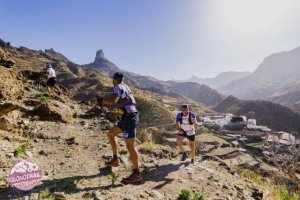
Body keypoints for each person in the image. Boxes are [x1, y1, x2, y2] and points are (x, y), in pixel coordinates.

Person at [97, 72, 141, 183]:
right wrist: (119, 113)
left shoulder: (118, 86)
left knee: (130, 145)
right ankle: (115, 159)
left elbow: (113, 101)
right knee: (111, 133)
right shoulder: (125, 86)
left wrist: (102, 100)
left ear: (114, 80)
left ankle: (136, 173)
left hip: (129, 118)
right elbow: (123, 102)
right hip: (126, 117)